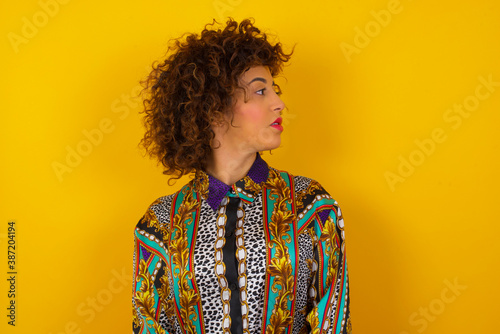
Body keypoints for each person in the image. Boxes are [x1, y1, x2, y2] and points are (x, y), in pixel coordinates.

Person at [132, 17, 352, 334]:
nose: (279, 103)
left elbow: (332, 322)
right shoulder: (159, 224)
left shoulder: (310, 207)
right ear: (212, 107)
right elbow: (149, 325)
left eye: (273, 90)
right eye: (260, 91)